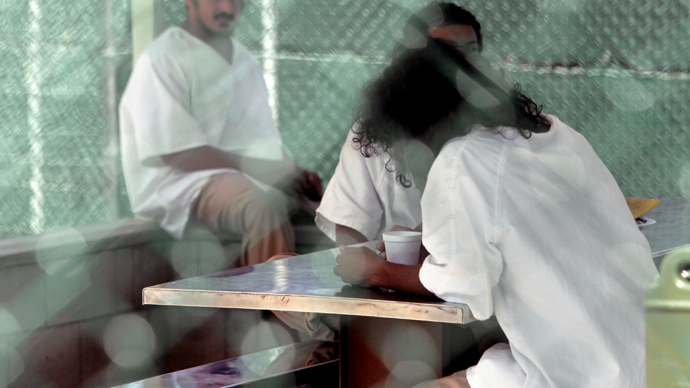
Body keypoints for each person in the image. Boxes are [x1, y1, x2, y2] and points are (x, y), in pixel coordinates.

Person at [333, 33, 657, 387]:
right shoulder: (559, 134)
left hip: (580, 374)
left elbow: (462, 291)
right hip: (656, 356)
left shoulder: (462, 160)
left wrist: (377, 272)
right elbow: (522, 228)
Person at [119, 0, 322, 267]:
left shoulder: (243, 59)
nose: (226, 7)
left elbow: (261, 138)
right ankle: (274, 307)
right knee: (264, 206)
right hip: (185, 181)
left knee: (330, 211)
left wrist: (292, 173)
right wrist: (257, 168)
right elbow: (175, 152)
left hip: (243, 173)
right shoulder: (163, 56)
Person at [316, 2, 482, 246]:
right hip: (392, 270)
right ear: (409, 60)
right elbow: (349, 220)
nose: (462, 63)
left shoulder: (496, 128)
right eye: (447, 52)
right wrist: (362, 266)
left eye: (471, 51)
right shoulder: (373, 130)